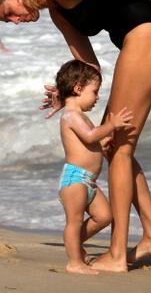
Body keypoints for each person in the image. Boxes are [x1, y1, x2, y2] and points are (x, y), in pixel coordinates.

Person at [0, 0, 151, 272]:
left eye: (10, 14)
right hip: (149, 39)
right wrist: (65, 93)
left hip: (148, 37)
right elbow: (90, 68)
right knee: (114, 144)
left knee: (119, 147)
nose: (16, 22)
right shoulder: (58, 11)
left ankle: (117, 254)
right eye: (8, 22)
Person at [54, 59, 133, 274]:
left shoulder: (81, 116)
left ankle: (74, 247)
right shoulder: (71, 115)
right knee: (75, 221)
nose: (97, 98)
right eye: (95, 92)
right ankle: (74, 262)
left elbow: (90, 143)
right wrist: (110, 125)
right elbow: (89, 136)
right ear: (78, 88)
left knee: (105, 216)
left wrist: (104, 143)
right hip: (75, 179)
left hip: (88, 180)